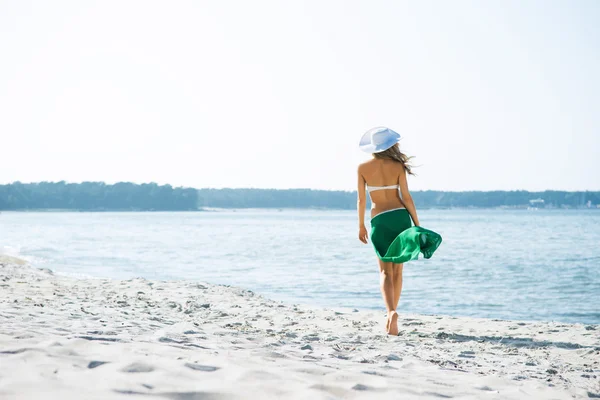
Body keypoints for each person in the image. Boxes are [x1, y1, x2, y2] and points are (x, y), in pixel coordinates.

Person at [357, 127, 442, 335]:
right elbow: (407, 197)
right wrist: (416, 223)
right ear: (390, 145)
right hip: (400, 217)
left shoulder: (362, 167)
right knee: (398, 270)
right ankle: (394, 313)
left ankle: (390, 312)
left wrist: (361, 225)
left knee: (385, 270)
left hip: (379, 219)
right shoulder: (398, 166)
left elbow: (361, 199)